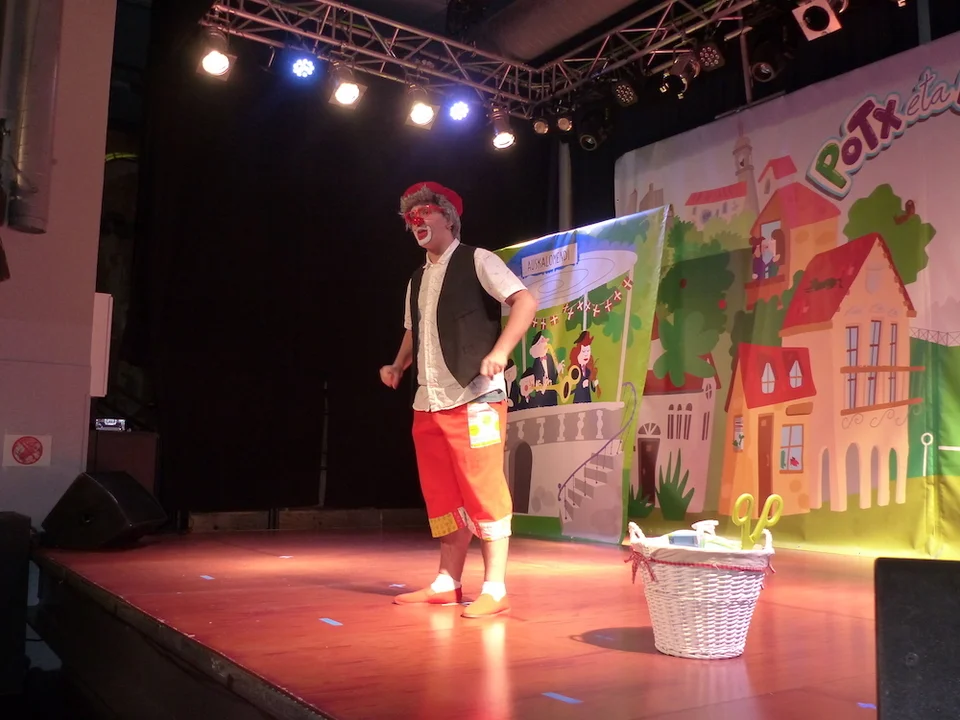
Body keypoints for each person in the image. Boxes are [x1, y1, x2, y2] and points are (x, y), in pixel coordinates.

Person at [380, 181, 537, 618]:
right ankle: (447, 583)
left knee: (483, 488)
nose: (416, 220)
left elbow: (525, 301)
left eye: (424, 211)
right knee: (443, 493)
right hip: (428, 401)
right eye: (410, 215)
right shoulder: (416, 279)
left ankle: (495, 588)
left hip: (475, 397)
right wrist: (398, 365)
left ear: (447, 218)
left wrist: (500, 352)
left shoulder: (478, 259)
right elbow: (414, 330)